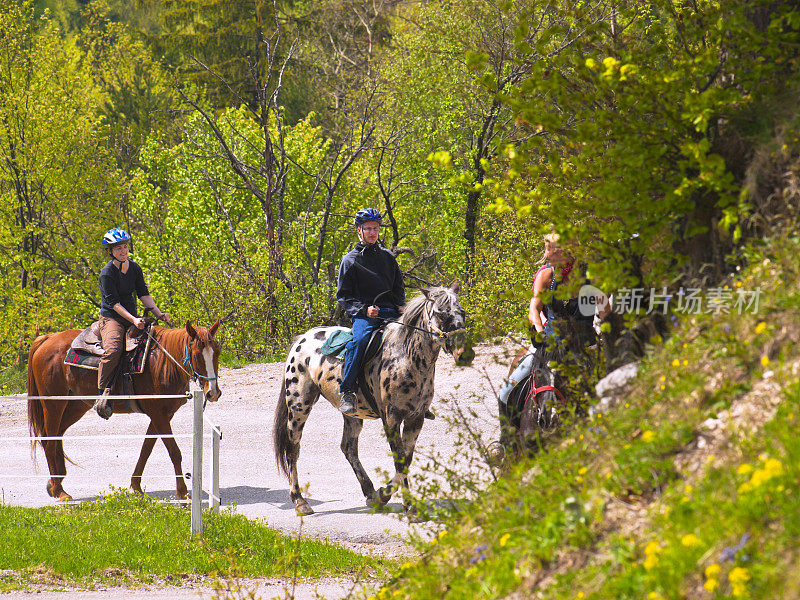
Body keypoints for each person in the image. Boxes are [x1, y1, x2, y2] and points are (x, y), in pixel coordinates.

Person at [498, 233, 597, 406]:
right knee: (506, 391)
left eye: (553, 251)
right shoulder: (546, 275)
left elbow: (605, 310)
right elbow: (533, 310)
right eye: (547, 249)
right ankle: (508, 433)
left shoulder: (591, 276)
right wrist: (540, 333)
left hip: (585, 346)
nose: (547, 255)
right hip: (550, 344)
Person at [94, 228, 170, 419]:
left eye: (125, 247)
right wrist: (134, 320)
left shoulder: (135, 268)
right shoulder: (107, 273)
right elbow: (114, 304)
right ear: (110, 251)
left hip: (133, 317)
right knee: (113, 350)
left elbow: (143, 294)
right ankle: (102, 393)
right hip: (112, 319)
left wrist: (159, 313)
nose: (123, 251)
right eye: (118, 248)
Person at [336, 208, 405, 416]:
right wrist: (364, 310)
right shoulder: (349, 260)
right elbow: (344, 296)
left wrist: (400, 305)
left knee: (416, 338)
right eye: (368, 229)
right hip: (364, 316)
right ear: (359, 230)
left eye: (375, 228)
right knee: (359, 342)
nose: (373, 233)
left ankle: (417, 395)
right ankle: (347, 391)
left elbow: (398, 286)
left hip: (391, 312)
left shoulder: (388, 257)